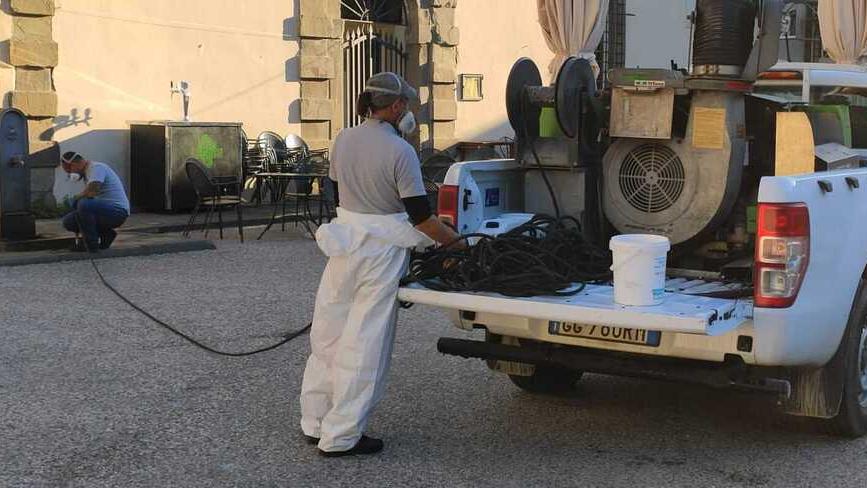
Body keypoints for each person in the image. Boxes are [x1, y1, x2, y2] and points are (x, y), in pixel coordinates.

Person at [299, 72, 464, 457]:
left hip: (344, 246)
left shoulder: (342, 139)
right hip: (380, 254)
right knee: (365, 341)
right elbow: (421, 218)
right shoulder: (400, 151)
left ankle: (315, 420)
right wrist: (455, 242)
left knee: (328, 334)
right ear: (396, 107)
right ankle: (342, 436)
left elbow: (337, 194)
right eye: (405, 104)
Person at [60, 151, 130, 252]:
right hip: (104, 211)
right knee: (69, 221)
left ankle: (91, 245)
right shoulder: (87, 173)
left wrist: (76, 198)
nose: (70, 174)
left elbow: (92, 192)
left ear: (75, 165)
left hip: (118, 212)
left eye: (69, 170)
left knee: (84, 204)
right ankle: (106, 234)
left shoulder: (97, 168)